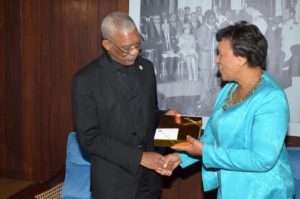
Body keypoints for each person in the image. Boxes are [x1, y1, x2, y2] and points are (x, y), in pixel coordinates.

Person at [160, 21, 295, 198]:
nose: (217, 60)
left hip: (261, 192)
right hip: (230, 189)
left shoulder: (271, 98)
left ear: (241, 58)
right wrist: (181, 158)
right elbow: (211, 136)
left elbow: (262, 159)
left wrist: (205, 152)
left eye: (221, 54)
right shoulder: (229, 89)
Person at [72, 11, 177, 199]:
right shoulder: (86, 80)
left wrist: (165, 116)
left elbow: (148, 115)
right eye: (127, 48)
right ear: (107, 45)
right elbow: (89, 138)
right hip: (113, 185)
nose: (135, 52)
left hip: (149, 179)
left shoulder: (147, 68)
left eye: (138, 44)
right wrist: (140, 158)